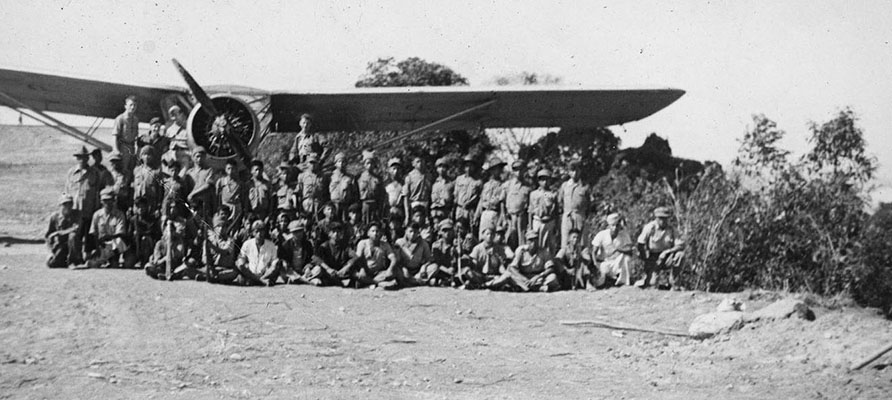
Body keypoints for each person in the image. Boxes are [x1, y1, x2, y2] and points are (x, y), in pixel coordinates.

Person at [486, 230, 558, 292]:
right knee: (509, 275)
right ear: (527, 242)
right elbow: (512, 268)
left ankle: (529, 288)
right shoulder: (521, 250)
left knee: (553, 277)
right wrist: (524, 279)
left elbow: (550, 268)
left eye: (535, 240)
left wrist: (537, 277)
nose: (533, 243)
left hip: (538, 277)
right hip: (523, 277)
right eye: (530, 240)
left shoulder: (544, 252)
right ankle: (536, 288)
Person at [65, 146, 102, 264]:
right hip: (75, 210)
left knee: (88, 235)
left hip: (89, 209)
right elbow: (66, 191)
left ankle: (87, 257)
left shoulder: (94, 172)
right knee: (76, 234)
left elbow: (97, 192)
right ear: (77, 158)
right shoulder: (71, 172)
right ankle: (75, 257)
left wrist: (96, 208)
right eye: (80, 157)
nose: (83, 159)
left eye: (85, 157)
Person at [637, 206, 685, 289]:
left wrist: (667, 252)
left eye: (665, 218)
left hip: (667, 256)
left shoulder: (671, 229)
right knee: (652, 284)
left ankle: (674, 282)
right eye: (661, 218)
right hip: (653, 257)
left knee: (680, 255)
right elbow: (641, 243)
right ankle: (649, 278)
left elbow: (680, 245)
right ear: (656, 218)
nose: (663, 221)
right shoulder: (650, 227)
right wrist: (645, 258)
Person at [85, 188, 129, 269]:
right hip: (101, 244)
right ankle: (102, 259)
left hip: (114, 243)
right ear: (101, 201)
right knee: (92, 263)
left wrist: (109, 237)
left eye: (110, 200)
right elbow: (93, 233)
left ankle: (113, 259)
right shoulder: (97, 215)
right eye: (105, 201)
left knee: (119, 242)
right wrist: (97, 247)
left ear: (114, 200)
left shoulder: (119, 214)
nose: (108, 203)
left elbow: (121, 232)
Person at [350, 222, 400, 289]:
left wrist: (390, 269)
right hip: (365, 271)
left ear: (381, 233)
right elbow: (358, 257)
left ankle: (371, 283)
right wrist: (362, 268)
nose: (375, 233)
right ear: (368, 233)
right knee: (357, 275)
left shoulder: (385, 245)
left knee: (394, 272)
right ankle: (376, 283)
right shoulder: (362, 243)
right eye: (373, 231)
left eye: (377, 231)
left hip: (379, 273)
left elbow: (393, 258)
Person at [235, 220, 285, 286]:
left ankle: (259, 280)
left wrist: (267, 272)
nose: (259, 234)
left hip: (265, 274)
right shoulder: (247, 244)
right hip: (250, 273)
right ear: (253, 233)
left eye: (262, 231)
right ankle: (261, 281)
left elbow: (274, 262)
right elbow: (242, 258)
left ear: (265, 232)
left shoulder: (271, 245)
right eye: (257, 231)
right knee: (239, 263)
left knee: (277, 263)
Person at [309, 222, 358, 286]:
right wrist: (328, 268)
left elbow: (355, 257)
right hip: (328, 272)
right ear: (329, 234)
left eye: (338, 232)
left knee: (354, 270)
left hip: (340, 272)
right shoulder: (324, 246)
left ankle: (337, 281)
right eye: (334, 232)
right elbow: (316, 258)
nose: (336, 234)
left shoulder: (345, 246)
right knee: (318, 270)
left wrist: (345, 268)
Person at [591, 213, 634, 288]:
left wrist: (618, 249)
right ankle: (608, 280)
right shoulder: (601, 235)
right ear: (608, 226)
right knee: (600, 282)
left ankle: (623, 282)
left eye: (617, 225)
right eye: (612, 225)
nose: (615, 228)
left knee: (627, 258)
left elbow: (630, 250)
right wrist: (595, 264)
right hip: (604, 262)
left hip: (617, 262)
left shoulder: (624, 234)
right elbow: (594, 252)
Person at [559, 161, 593, 250]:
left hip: (580, 216)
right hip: (567, 216)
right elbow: (560, 201)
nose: (574, 173)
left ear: (580, 171)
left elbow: (589, 204)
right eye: (572, 170)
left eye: (577, 170)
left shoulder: (585, 186)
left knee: (581, 243)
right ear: (569, 172)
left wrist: (584, 216)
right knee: (565, 243)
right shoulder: (564, 185)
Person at [528, 169, 559, 256]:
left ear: (550, 180)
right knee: (536, 244)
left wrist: (556, 226)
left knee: (550, 245)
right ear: (538, 181)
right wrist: (530, 226)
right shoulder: (533, 194)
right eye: (542, 180)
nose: (544, 182)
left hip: (549, 222)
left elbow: (556, 212)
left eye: (547, 179)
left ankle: (550, 264)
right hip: (537, 221)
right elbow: (530, 211)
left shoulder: (553, 194)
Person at [45, 194, 81, 268]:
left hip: (73, 245)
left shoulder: (77, 214)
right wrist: (50, 252)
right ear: (60, 205)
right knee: (51, 264)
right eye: (64, 204)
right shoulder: (54, 217)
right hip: (60, 245)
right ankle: (63, 260)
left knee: (72, 235)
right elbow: (48, 236)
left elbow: (75, 228)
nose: (67, 206)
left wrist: (59, 233)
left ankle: (73, 261)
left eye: (70, 204)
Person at [502, 160, 532, 249]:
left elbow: (530, 206)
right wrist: (504, 218)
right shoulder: (507, 185)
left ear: (524, 171)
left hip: (522, 217)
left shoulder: (528, 187)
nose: (518, 172)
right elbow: (502, 202)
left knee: (522, 241)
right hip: (510, 218)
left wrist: (529, 223)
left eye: (520, 169)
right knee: (509, 240)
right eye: (515, 169)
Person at [185, 146, 218, 223]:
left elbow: (208, 185)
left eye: (202, 156)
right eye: (197, 156)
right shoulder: (189, 173)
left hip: (205, 206)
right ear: (193, 158)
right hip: (192, 206)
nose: (199, 159)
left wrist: (193, 194)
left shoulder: (209, 171)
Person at [476, 157, 506, 237]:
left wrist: (502, 217)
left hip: (494, 213)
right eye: (496, 169)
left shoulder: (502, 185)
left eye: (500, 168)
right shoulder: (486, 185)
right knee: (483, 236)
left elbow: (502, 203)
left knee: (493, 237)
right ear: (491, 171)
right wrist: (477, 214)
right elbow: (481, 200)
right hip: (485, 213)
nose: (499, 171)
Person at [295, 153, 328, 225]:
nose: (313, 165)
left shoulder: (323, 176)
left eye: (315, 163)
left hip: (319, 204)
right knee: (305, 223)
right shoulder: (302, 176)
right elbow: (299, 192)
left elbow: (326, 192)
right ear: (307, 163)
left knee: (318, 224)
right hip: (306, 203)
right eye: (311, 162)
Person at [453, 155, 482, 231]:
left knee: (471, 230)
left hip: (471, 210)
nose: (468, 169)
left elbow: (479, 198)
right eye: (466, 166)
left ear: (474, 167)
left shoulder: (478, 181)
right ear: (463, 167)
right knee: (459, 230)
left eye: (471, 166)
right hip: (460, 209)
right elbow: (455, 195)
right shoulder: (459, 179)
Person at [132, 146, 163, 216]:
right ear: (141, 156)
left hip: (151, 204)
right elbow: (134, 189)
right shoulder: (136, 170)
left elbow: (159, 191)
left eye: (149, 155)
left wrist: (158, 207)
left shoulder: (156, 172)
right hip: (138, 204)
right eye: (144, 154)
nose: (147, 157)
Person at [357, 150, 385, 224]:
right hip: (364, 204)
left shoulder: (377, 178)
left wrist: (380, 208)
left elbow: (381, 194)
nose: (370, 165)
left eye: (371, 163)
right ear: (364, 165)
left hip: (374, 204)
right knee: (364, 222)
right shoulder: (360, 177)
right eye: (368, 163)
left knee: (374, 223)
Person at [112, 95, 139, 171]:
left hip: (132, 148)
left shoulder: (136, 120)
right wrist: (115, 150)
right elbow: (114, 135)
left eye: (134, 105)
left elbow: (136, 135)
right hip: (122, 148)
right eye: (131, 105)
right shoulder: (120, 119)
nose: (133, 107)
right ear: (125, 106)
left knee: (131, 170)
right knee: (122, 171)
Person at [402, 156, 431, 223]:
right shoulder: (409, 177)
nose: (420, 163)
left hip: (425, 204)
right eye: (417, 162)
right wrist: (407, 215)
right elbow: (406, 196)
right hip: (414, 204)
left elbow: (430, 193)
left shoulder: (428, 176)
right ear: (413, 164)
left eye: (421, 161)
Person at [216, 159, 244, 227]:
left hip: (236, 208)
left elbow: (244, 198)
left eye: (233, 168)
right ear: (225, 169)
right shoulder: (221, 181)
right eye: (229, 168)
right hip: (225, 208)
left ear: (236, 169)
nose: (231, 171)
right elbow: (217, 196)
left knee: (235, 227)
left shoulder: (240, 183)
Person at [329, 152, 357, 221]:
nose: (341, 164)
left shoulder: (350, 177)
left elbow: (354, 192)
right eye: (339, 161)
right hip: (334, 204)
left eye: (343, 162)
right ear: (335, 163)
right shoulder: (330, 176)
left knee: (345, 223)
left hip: (345, 204)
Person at [430, 157, 454, 221]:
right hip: (436, 212)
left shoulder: (451, 184)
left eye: (444, 167)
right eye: (439, 167)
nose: (442, 169)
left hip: (447, 212)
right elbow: (433, 199)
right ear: (437, 169)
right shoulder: (434, 184)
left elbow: (452, 199)